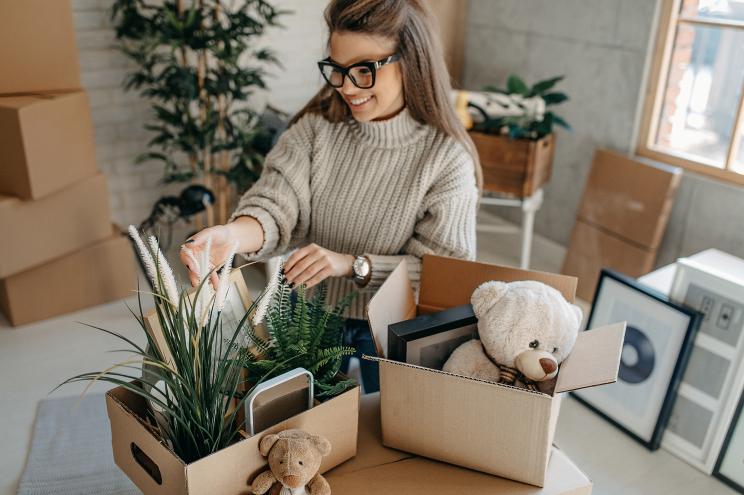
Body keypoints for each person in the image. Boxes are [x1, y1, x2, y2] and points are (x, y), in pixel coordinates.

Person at [180, 0, 481, 394]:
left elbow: (444, 270)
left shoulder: (446, 160)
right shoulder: (315, 131)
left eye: (363, 70)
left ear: (411, 61)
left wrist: (353, 265)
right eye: (337, 70)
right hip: (308, 313)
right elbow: (275, 205)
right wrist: (233, 236)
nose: (347, 87)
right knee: (294, 428)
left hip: (397, 324)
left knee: (389, 434)